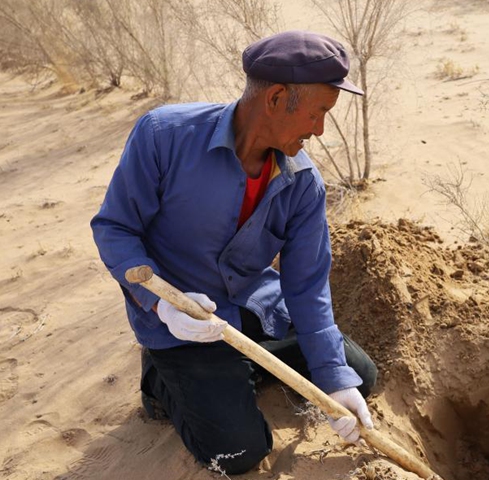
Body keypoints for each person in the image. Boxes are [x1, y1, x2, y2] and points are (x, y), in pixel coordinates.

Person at [90, 30, 377, 475]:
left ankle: (233, 373)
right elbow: (115, 228)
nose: (320, 130)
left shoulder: (303, 182)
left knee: (359, 374)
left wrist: (334, 380)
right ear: (277, 98)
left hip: (253, 307)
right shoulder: (164, 136)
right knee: (240, 452)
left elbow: (306, 285)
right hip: (183, 322)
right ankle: (159, 382)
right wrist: (162, 305)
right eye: (319, 113)